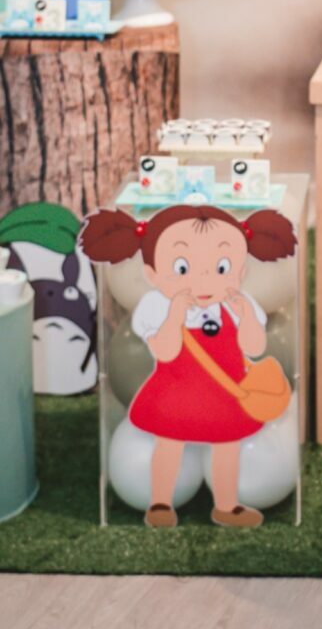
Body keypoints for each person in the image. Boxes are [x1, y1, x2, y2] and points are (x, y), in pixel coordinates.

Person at [80, 203, 296, 528]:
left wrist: (248, 317)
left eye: (221, 267)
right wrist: (175, 317)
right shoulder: (156, 307)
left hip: (224, 394)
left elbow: (253, 347)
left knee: (227, 447)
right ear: (152, 275)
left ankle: (227, 505)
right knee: (170, 444)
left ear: (240, 271)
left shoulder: (237, 304)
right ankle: (160, 502)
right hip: (176, 391)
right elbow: (164, 352)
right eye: (183, 268)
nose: (204, 280)